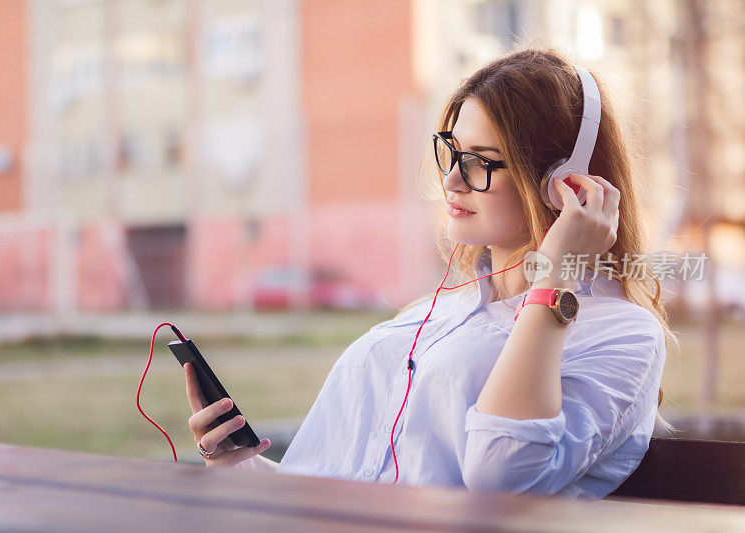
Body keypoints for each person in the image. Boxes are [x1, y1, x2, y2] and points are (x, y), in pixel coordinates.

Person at [183, 46, 676, 501]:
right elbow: (334, 484)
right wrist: (238, 465)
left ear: (563, 185)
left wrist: (554, 274)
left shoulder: (623, 332)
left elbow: (501, 473)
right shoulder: (436, 312)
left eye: (481, 162)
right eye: (451, 151)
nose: (452, 179)